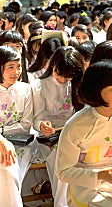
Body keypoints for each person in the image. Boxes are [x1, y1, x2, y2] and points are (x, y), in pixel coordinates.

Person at [56, 61, 112, 206]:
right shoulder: (76, 126)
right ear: (96, 90)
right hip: (86, 188)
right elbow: (63, 171)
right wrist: (99, 175)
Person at [32, 46, 85, 203]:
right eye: (59, 75)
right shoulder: (39, 86)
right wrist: (42, 125)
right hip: (50, 137)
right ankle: (62, 202)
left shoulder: (76, 84)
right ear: (52, 64)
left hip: (73, 133)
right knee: (63, 158)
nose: (62, 80)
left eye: (67, 78)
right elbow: (36, 120)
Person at [0, 46, 35, 207]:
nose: (16, 71)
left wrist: (2, 133)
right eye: (10, 67)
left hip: (21, 143)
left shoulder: (26, 90)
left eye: (18, 66)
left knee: (10, 169)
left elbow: (26, 125)